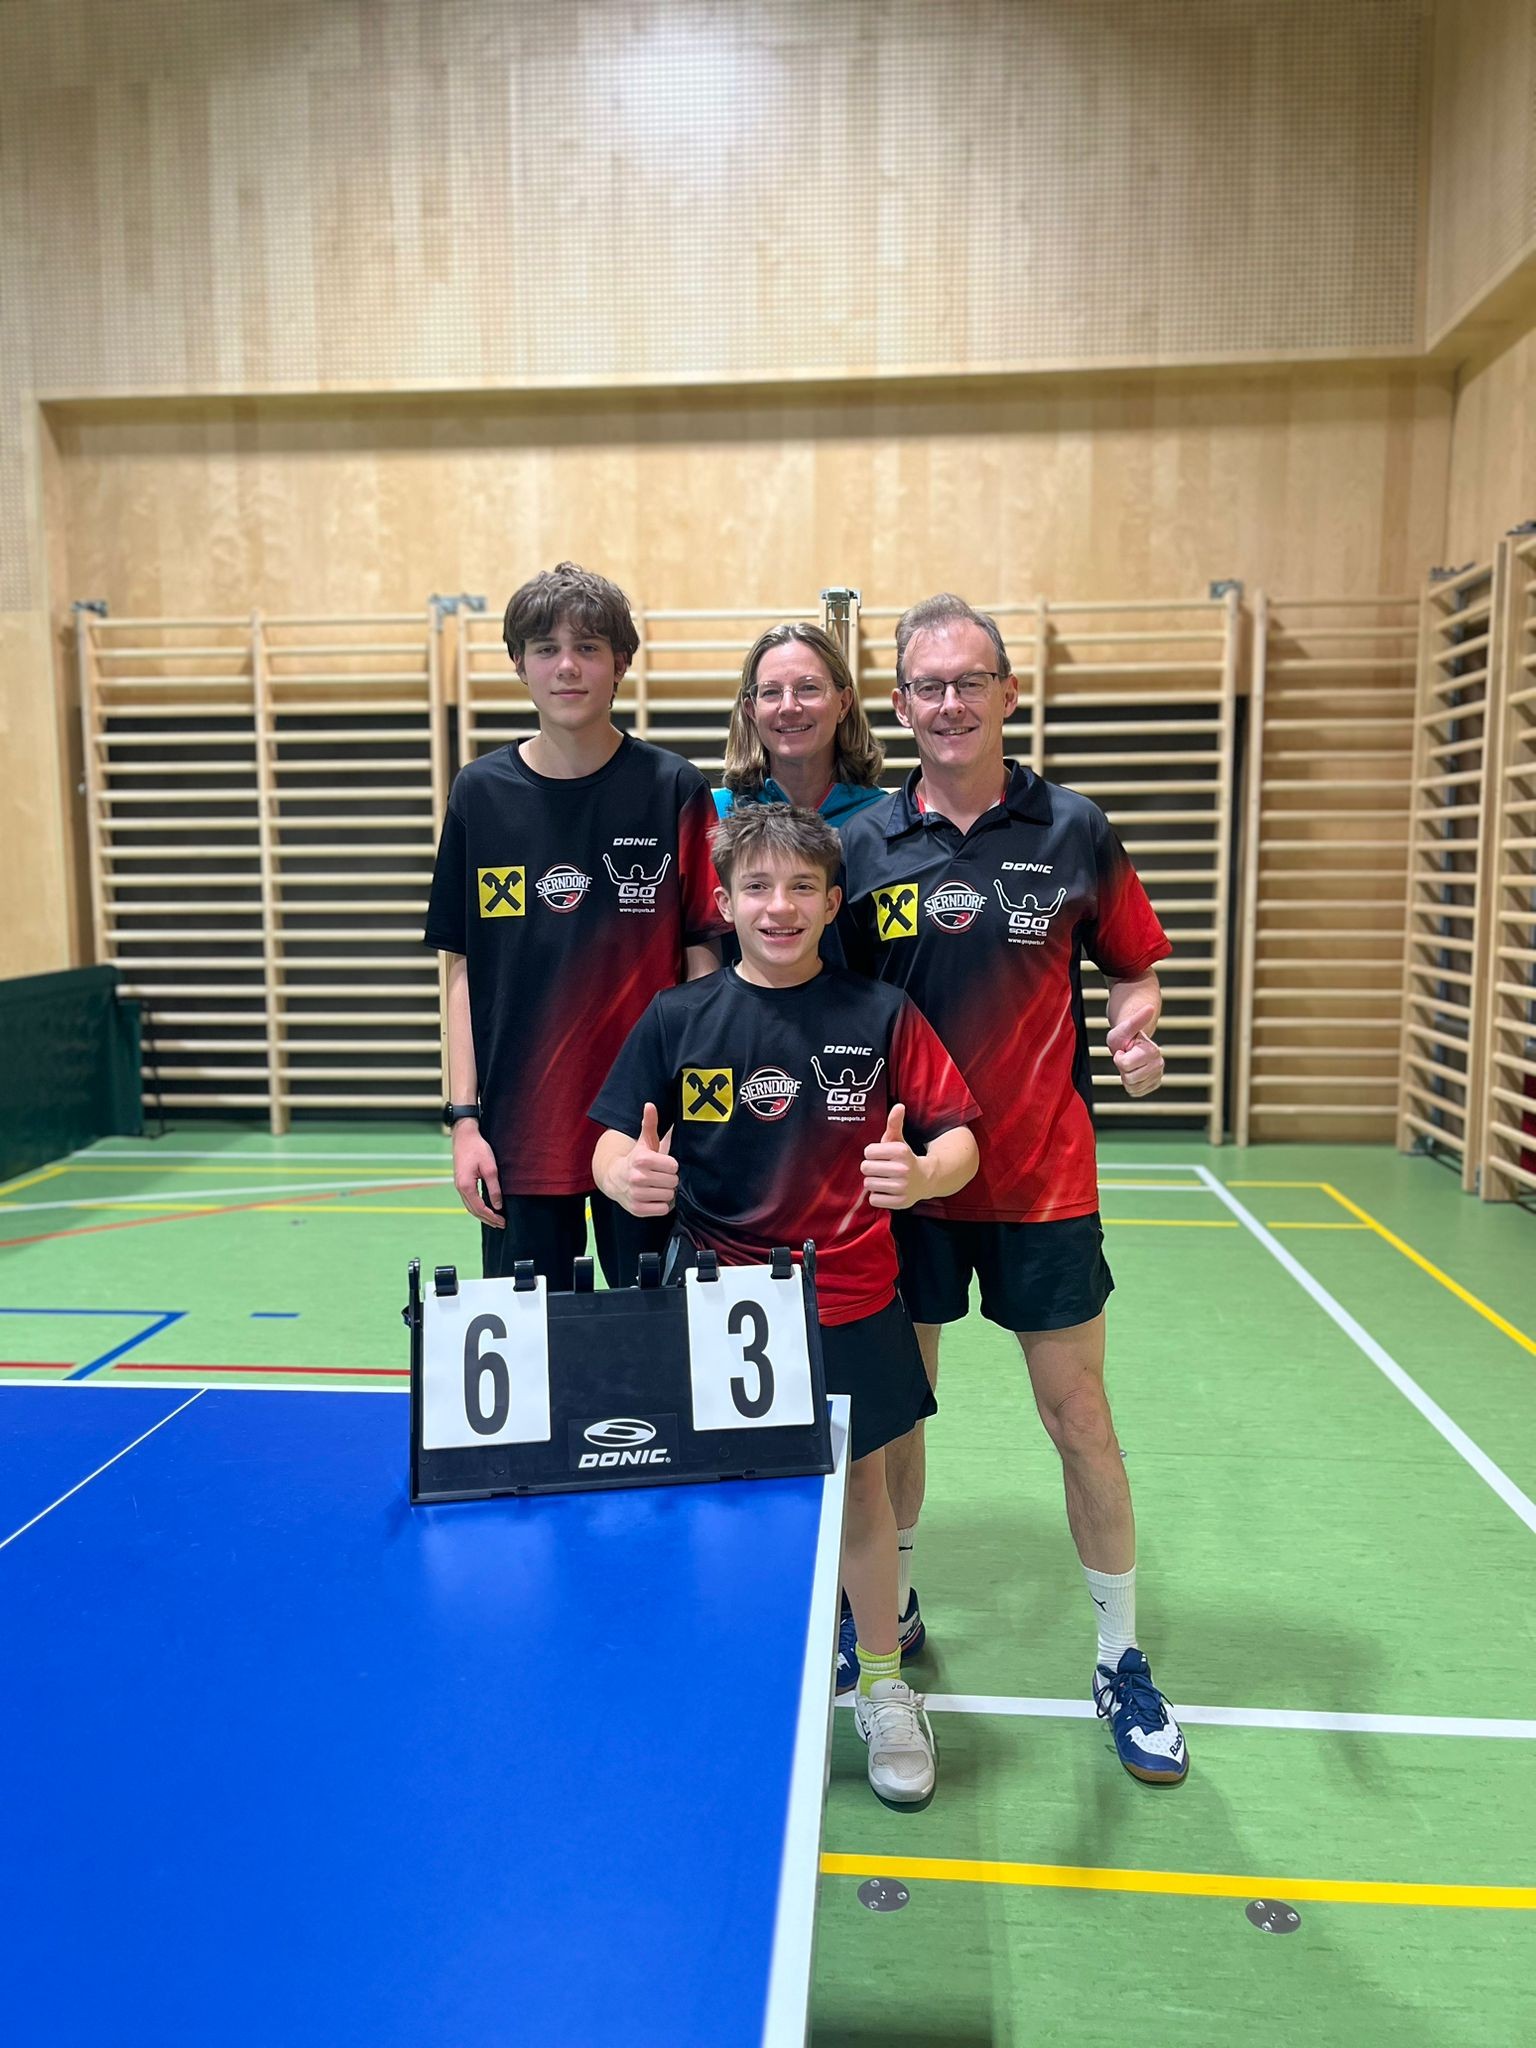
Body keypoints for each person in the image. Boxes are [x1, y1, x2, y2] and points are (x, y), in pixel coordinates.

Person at [839, 592, 1187, 1786]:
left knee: (1078, 1420)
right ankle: (896, 1606)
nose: (949, 702)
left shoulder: (1076, 828)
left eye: (969, 680)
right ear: (899, 706)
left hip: (1043, 1178)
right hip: (909, 1188)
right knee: (894, 1423)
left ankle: (1121, 1655)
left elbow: (1135, 967)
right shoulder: (861, 847)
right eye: (926, 685)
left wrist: (1137, 1032)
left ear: (1008, 693)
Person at [590, 803, 980, 1809]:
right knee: (727, 1510)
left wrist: (925, 1172)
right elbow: (606, 1137)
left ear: (832, 902)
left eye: (802, 886)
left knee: (860, 1501)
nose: (780, 904)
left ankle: (885, 1688)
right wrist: (625, 1170)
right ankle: (734, 1685)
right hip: (719, 1306)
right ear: (723, 903)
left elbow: (960, 1137)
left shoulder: (881, 1014)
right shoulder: (678, 1018)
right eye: (758, 886)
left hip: (850, 1296)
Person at [423, 562, 725, 1288]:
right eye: (546, 647)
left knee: (651, 1360)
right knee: (533, 1374)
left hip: (646, 1137)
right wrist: (464, 1121)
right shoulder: (480, 794)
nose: (567, 666)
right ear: (518, 665)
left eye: (589, 647)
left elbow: (704, 971)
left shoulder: (673, 788)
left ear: (621, 663)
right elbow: (461, 970)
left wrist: (692, 1115)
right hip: (521, 1136)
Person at [713, 621, 887, 828]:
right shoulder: (715, 814)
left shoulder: (883, 818)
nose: (788, 707)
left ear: (843, 703)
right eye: (771, 692)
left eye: (808, 688)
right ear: (751, 710)